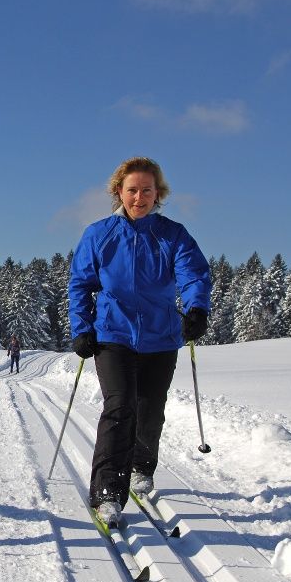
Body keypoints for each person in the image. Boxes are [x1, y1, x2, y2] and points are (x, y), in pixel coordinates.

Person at [67, 156, 211, 527]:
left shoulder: (172, 234)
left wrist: (196, 309)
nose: (139, 196)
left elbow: (193, 273)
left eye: (147, 190)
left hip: (160, 336)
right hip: (113, 334)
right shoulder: (98, 234)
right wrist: (82, 328)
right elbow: (81, 284)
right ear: (119, 191)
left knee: (150, 408)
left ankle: (142, 469)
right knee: (120, 407)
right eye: (132, 189)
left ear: (157, 194)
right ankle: (107, 493)